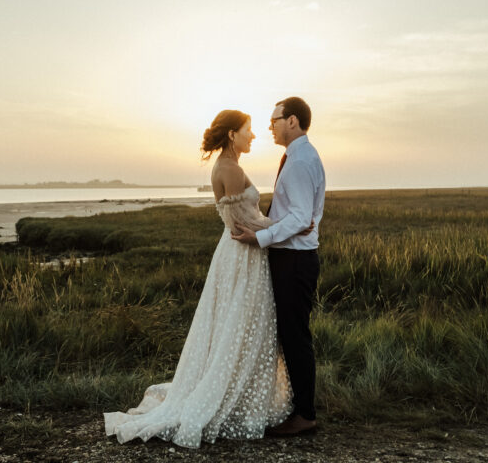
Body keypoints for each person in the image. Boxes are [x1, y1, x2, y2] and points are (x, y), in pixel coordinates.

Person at [104, 109, 311, 448]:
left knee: (240, 325)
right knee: (243, 324)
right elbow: (243, 225)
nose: (253, 136)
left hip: (238, 254)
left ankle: (242, 392)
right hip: (242, 255)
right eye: (247, 130)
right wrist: (292, 226)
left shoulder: (225, 166)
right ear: (232, 135)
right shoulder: (231, 169)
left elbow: (247, 219)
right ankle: (234, 398)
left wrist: (276, 224)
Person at [232, 96, 325, 436]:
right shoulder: (298, 157)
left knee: (295, 335)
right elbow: (302, 215)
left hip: (295, 260)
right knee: (290, 333)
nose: (270, 126)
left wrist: (261, 237)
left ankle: (305, 414)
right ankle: (297, 407)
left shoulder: (300, 162)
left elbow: (301, 217)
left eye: (275, 119)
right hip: (292, 256)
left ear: (293, 121)